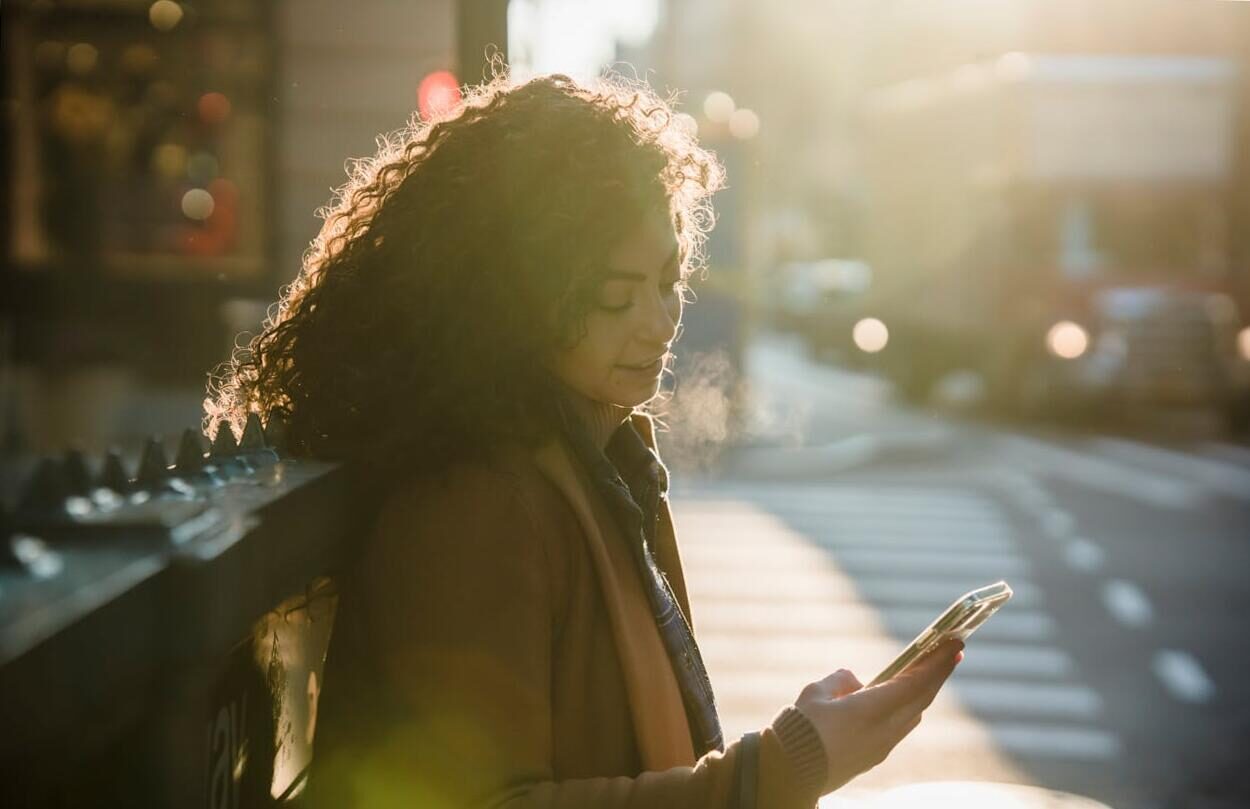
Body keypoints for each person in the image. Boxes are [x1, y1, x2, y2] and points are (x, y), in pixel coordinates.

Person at [205, 69, 962, 808]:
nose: (660, 320)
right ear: (517, 296)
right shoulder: (475, 501)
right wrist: (790, 762)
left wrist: (801, 747)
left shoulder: (597, 459)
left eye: (668, 280)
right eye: (615, 294)